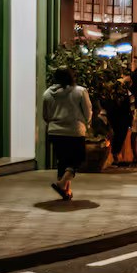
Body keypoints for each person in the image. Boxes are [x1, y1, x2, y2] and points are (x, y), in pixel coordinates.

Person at [42, 68, 92, 201]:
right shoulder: (80, 91)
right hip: (74, 130)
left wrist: (54, 123)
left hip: (54, 131)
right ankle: (62, 183)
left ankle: (65, 191)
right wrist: (86, 122)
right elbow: (88, 111)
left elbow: (45, 115)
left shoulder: (47, 93)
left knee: (63, 161)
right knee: (78, 159)